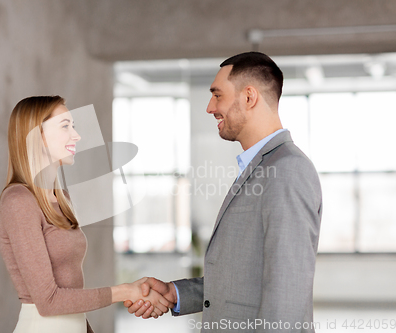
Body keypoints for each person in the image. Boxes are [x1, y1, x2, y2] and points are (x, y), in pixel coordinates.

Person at [124, 52, 323, 332]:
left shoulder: (288, 170)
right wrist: (175, 293)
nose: (209, 107)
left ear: (249, 97)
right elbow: (242, 280)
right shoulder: (261, 166)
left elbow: (287, 290)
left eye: (217, 95)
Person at [0, 96, 172, 333]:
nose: (76, 136)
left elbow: (70, 294)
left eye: (74, 126)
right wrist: (124, 291)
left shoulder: (61, 198)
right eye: (65, 126)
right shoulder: (19, 201)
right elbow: (49, 303)